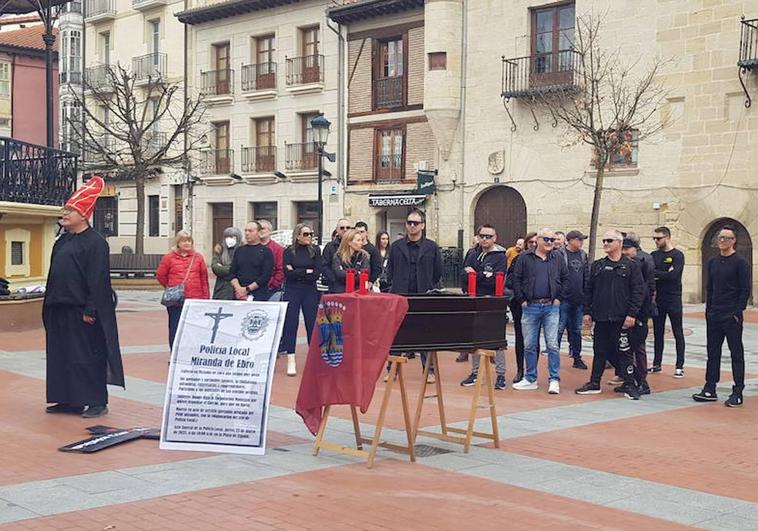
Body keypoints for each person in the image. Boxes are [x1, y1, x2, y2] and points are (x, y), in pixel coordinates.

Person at [43, 176, 124, 419]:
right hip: (60, 309)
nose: (65, 213)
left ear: (85, 214)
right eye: (66, 209)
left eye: (71, 210)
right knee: (62, 356)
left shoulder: (96, 243)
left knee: (86, 357)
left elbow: (98, 279)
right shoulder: (63, 240)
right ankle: (69, 399)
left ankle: (96, 401)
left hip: (82, 311)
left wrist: (91, 310)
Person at [576, 230, 645, 399]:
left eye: (609, 240)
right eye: (604, 240)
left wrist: (632, 314)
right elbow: (589, 290)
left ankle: (630, 383)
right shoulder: (598, 265)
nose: (605, 243)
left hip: (621, 318)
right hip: (601, 318)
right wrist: (587, 312)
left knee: (624, 352)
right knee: (599, 351)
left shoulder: (631, 266)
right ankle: (594, 382)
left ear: (619, 243)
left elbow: (638, 291)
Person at [693, 226, 750, 407]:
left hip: (731, 316)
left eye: (726, 238)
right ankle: (710, 388)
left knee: (736, 354)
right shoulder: (712, 262)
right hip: (714, 314)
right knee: (713, 352)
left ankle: (738, 391)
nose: (722, 241)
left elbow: (745, 290)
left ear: (734, 241)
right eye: (720, 237)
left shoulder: (741, 263)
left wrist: (736, 312)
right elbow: (710, 289)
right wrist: (708, 311)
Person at [386, 209, 443, 381]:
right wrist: (394, 286)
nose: (412, 226)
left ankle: (429, 371)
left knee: (425, 333)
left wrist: (429, 287)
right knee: (396, 333)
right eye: (409, 223)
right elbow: (390, 271)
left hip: (423, 295)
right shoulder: (396, 247)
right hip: (400, 294)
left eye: (415, 223)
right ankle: (392, 369)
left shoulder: (432, 247)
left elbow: (437, 271)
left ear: (422, 226)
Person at [511, 228, 568, 394]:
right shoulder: (524, 257)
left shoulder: (557, 258)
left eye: (552, 239)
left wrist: (559, 298)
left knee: (552, 345)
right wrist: (521, 299)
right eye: (546, 239)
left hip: (551, 306)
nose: (550, 242)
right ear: (538, 240)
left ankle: (554, 379)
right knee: (529, 344)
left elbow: (566, 278)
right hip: (530, 306)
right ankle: (530, 378)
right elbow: (516, 279)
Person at [459, 224, 508, 390]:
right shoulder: (472, 254)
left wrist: (476, 275)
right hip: (475, 300)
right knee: (475, 338)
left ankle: (501, 375)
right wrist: (484, 275)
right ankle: (475, 372)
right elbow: (464, 277)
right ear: (478, 237)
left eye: (489, 236)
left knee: (497, 339)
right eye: (482, 236)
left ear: (495, 238)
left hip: (493, 302)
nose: (485, 239)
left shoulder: (501, 256)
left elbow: (496, 279)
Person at [156, 231, 211, 349]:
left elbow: (204, 279)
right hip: (176, 301)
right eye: (183, 240)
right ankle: (175, 353)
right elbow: (161, 275)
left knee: (194, 328)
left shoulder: (198, 258)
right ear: (178, 243)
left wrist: (206, 299)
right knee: (175, 327)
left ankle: (191, 352)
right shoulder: (169, 258)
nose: (187, 243)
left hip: (195, 299)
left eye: (189, 240)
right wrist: (171, 287)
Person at [281, 224, 323, 377]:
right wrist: (306, 271)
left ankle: (313, 361)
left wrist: (298, 271)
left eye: (311, 234)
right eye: (306, 234)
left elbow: (317, 272)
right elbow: (287, 272)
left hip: (310, 290)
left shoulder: (315, 250)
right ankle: (291, 359)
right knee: (291, 323)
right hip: (292, 290)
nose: (309, 237)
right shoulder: (288, 251)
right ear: (297, 235)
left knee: (312, 323)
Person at [621, 237, 655, 395]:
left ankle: (642, 380)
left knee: (638, 347)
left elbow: (647, 289)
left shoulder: (643, 262)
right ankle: (629, 378)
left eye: (627, 249)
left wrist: (640, 312)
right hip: (625, 310)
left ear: (635, 249)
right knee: (624, 346)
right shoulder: (626, 264)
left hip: (639, 311)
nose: (624, 252)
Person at [650, 226, 686, 377]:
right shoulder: (653, 255)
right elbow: (650, 273)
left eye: (659, 238)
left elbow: (674, 276)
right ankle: (656, 363)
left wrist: (660, 274)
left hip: (674, 298)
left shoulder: (678, 255)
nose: (656, 241)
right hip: (658, 299)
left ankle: (679, 366)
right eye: (654, 239)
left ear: (667, 237)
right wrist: (663, 273)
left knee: (678, 331)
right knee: (658, 332)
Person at [554, 230, 589, 370]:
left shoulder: (583, 255)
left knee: (576, 330)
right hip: (564, 299)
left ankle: (577, 357)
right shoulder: (559, 254)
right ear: (570, 240)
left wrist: (586, 295)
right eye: (579, 240)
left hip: (578, 299)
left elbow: (586, 275)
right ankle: (554, 358)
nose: (581, 242)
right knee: (559, 329)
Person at [506, 232, 537, 382]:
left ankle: (532, 371)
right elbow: (511, 279)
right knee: (520, 337)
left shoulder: (548, 259)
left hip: (538, 304)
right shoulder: (519, 258)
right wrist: (520, 296)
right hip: (520, 304)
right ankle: (520, 370)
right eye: (530, 242)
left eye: (536, 242)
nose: (533, 245)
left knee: (534, 339)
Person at [230, 221, 274, 301]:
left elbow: (266, 275)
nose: (247, 233)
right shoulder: (239, 250)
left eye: (250, 231)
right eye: (245, 230)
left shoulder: (266, 251)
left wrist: (247, 289)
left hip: (258, 294)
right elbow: (232, 273)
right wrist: (238, 289)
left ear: (259, 233)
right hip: (238, 294)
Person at [331, 229, 371, 293]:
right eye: (358, 240)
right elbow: (339, 274)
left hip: (358, 291)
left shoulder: (364, 256)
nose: (361, 243)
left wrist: (349, 274)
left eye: (361, 240)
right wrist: (356, 273)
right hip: (341, 292)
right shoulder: (338, 256)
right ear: (349, 242)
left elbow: (365, 274)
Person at [211, 227, 242, 300]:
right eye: (227, 237)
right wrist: (232, 268)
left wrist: (223, 267)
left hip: (238, 289)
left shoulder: (242, 250)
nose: (229, 239)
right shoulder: (219, 250)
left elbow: (241, 268)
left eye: (232, 237)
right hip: (222, 289)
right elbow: (215, 268)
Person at [322, 219, 352, 292]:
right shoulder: (330, 246)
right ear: (337, 230)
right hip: (336, 288)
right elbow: (324, 266)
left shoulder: (356, 245)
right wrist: (334, 280)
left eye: (348, 228)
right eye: (342, 228)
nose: (345, 230)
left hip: (354, 286)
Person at [258, 219, 284, 300]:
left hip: (270, 290)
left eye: (263, 228)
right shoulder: (250, 248)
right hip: (252, 288)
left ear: (270, 231)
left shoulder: (278, 248)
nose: (260, 231)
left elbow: (281, 269)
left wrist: (273, 284)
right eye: (258, 229)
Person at [355, 221, 383, 288]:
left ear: (366, 233)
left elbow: (377, 268)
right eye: (357, 232)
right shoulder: (352, 247)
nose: (359, 234)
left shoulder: (373, 249)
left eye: (362, 232)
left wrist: (370, 283)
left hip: (366, 283)